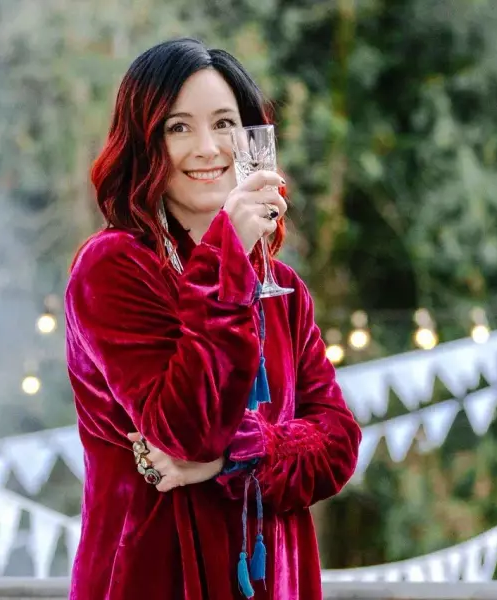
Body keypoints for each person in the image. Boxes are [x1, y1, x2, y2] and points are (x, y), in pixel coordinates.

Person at [64, 38, 362, 600]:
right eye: (178, 128)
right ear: (144, 143)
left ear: (250, 141)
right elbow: (185, 431)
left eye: (224, 124)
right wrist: (226, 258)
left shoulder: (283, 289)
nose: (207, 148)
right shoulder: (113, 268)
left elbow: (339, 443)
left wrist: (237, 454)